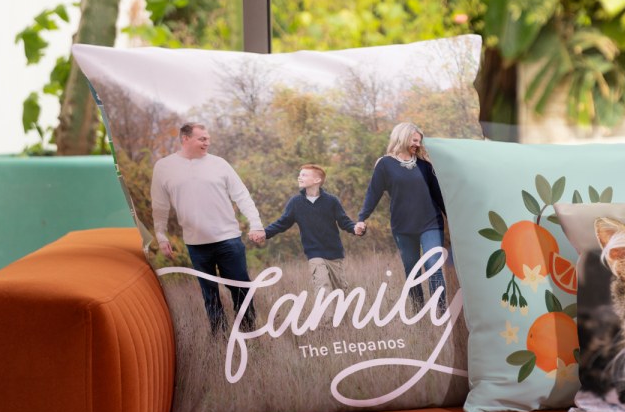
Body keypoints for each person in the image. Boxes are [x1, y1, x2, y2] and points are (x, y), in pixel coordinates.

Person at [151, 122, 265, 334]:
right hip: (196, 245)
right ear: (185, 139)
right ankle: (219, 340)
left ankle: (249, 335)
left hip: (228, 239)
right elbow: (159, 205)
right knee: (209, 295)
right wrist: (161, 235)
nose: (207, 142)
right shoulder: (164, 167)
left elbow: (242, 195)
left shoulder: (219, 164)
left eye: (208, 138)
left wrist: (256, 224)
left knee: (241, 289)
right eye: (202, 138)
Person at [357, 122, 447, 310]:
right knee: (412, 271)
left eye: (419, 141)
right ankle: (418, 313)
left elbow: (439, 195)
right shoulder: (385, 165)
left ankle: (440, 313)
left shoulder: (425, 166)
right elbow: (373, 193)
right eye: (414, 140)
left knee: (433, 266)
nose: (417, 144)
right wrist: (361, 218)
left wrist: (453, 219)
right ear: (403, 137)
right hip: (403, 227)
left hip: (430, 223)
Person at [260, 164, 365, 295]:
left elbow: (344, 222)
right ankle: (327, 316)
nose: (299, 177)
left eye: (304, 175)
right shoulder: (295, 203)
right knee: (323, 289)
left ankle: (341, 316)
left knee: (340, 293)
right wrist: (265, 233)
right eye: (299, 174)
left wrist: (356, 229)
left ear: (317, 180)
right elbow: (282, 223)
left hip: (334, 254)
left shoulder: (332, 201)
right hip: (314, 253)